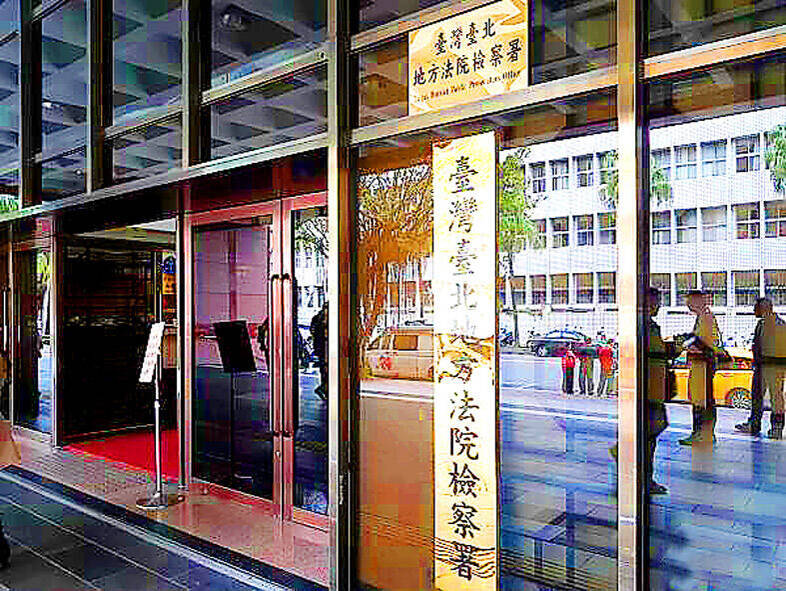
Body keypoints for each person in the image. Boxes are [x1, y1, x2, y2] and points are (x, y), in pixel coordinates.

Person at [736, 298, 786, 438]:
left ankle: (762, 425)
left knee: (767, 397)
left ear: (763, 308)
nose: (754, 311)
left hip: (767, 365)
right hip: (771, 366)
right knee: (773, 397)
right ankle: (773, 427)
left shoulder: (769, 324)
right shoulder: (778, 323)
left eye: (756, 308)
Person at [679, 290, 721, 446]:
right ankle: (705, 434)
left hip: (702, 365)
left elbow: (704, 343)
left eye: (689, 301)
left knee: (701, 400)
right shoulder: (704, 317)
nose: (687, 305)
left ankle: (702, 435)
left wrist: (685, 343)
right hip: (701, 365)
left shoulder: (706, 318)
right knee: (703, 399)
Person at [646, 287, 673, 494]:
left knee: (653, 430)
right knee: (651, 431)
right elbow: (655, 353)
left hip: (652, 388)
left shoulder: (648, 325)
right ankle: (646, 479)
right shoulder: (648, 327)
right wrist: (675, 348)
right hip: (651, 389)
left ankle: (644, 477)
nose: (658, 306)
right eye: (656, 302)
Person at [311, 302, 328, 400]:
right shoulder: (323, 319)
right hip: (324, 347)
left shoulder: (317, 318)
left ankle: (324, 388)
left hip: (321, 347)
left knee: (324, 369)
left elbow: (313, 331)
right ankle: (323, 388)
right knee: (325, 368)